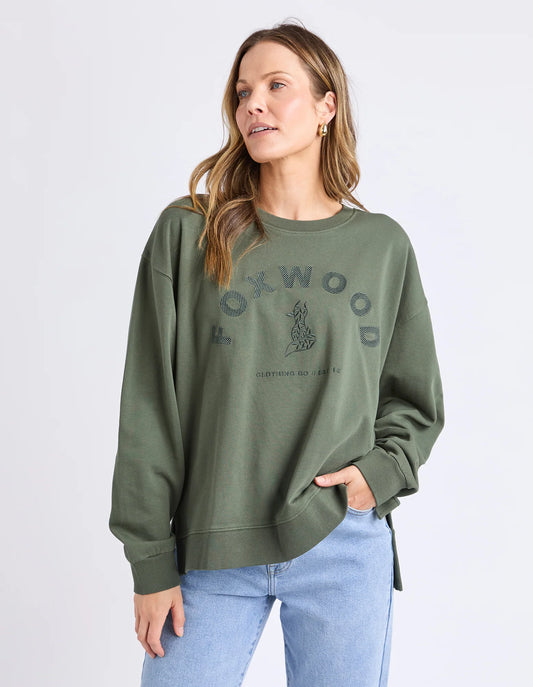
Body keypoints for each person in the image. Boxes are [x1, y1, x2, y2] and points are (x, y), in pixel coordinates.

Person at [108, 19, 445, 687]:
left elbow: (415, 397)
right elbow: (149, 403)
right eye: (242, 92)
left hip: (341, 542)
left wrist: (377, 473)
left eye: (275, 86)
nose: (253, 104)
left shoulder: (381, 246)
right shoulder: (190, 232)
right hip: (210, 547)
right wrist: (149, 559)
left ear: (326, 106)